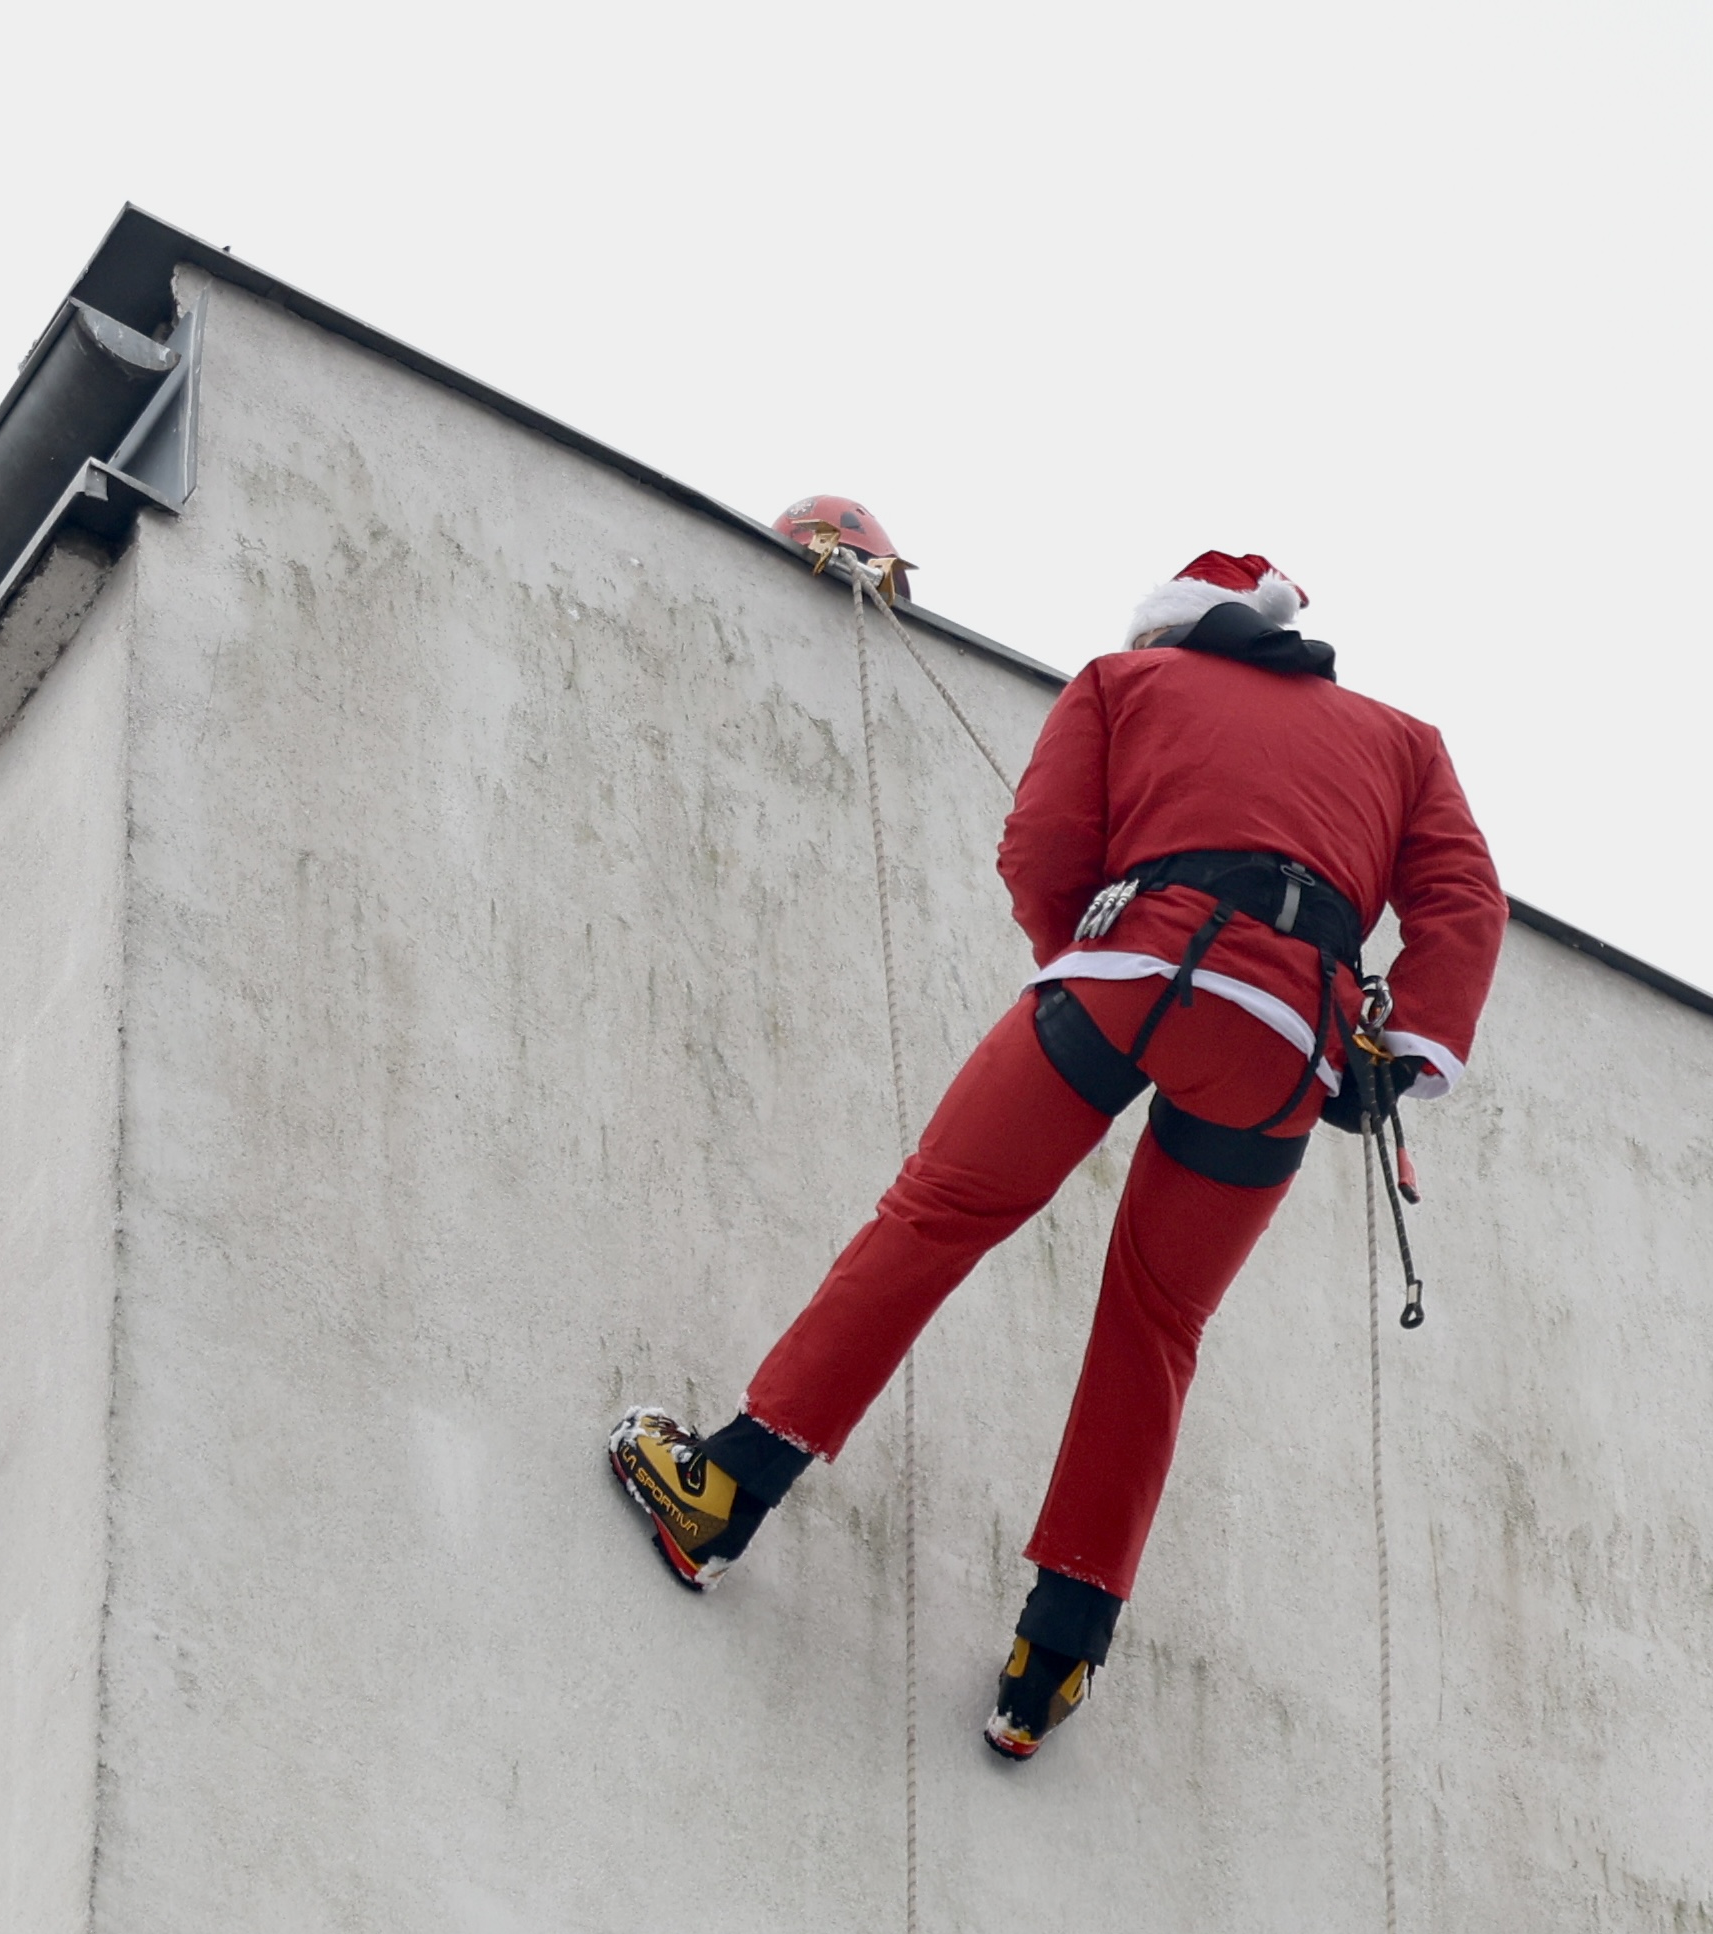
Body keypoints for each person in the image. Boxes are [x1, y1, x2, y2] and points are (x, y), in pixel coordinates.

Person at [610, 550, 1503, 1760]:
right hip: (1289, 1041)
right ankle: (1053, 1660)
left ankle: (721, 1490)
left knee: (935, 1213)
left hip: (1133, 973)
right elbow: (1463, 897)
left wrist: (1078, 955)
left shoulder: (1124, 682)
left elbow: (1038, 846)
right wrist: (1400, 1052)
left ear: (1174, 627)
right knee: (1156, 1325)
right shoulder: (1404, 744)